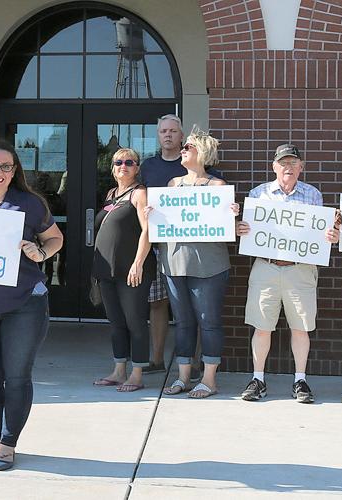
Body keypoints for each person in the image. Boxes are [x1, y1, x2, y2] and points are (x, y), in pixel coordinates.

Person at [0, 140, 63, 471]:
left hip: (24, 303)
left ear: (14, 171)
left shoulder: (29, 203)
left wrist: (41, 253)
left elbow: (55, 237)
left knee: (17, 377)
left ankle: (8, 443)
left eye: (6, 167)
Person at [235, 144, 339, 403]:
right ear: (274, 167)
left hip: (300, 269)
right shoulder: (259, 194)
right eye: (283, 163)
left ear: (301, 167)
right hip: (266, 266)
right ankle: (258, 379)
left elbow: (319, 234)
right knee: (261, 326)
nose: (288, 167)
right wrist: (241, 228)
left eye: (293, 163)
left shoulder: (312, 194)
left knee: (301, 327)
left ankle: (300, 380)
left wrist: (330, 235)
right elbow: (249, 228)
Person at [150, 128, 237, 398]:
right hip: (175, 262)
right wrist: (153, 214)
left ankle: (209, 379)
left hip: (209, 264)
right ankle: (183, 376)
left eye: (189, 146)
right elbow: (165, 220)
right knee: (184, 322)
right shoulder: (174, 185)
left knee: (208, 321)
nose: (183, 149)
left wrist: (232, 214)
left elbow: (228, 227)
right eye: (184, 146)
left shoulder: (217, 187)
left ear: (203, 152)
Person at [139, 115, 225, 375]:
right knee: (170, 310)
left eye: (174, 132)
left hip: (204, 261)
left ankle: (203, 370)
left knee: (203, 317)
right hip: (166, 251)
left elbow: (221, 222)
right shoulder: (160, 175)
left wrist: (229, 212)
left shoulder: (217, 183)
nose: (168, 136)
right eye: (163, 131)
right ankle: (168, 365)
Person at [91, 148, 155, 393]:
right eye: (118, 162)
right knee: (116, 322)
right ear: (112, 167)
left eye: (130, 162)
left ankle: (136, 374)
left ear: (137, 168)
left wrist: (138, 263)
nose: (123, 166)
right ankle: (119, 370)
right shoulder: (111, 194)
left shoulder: (139, 194)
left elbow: (147, 231)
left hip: (132, 270)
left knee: (135, 321)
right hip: (107, 270)